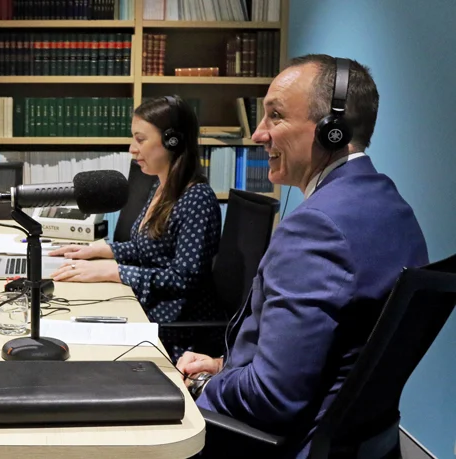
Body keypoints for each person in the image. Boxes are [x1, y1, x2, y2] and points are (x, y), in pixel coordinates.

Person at [176, 55, 429, 458]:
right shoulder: (393, 207)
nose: (259, 135)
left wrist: (201, 387)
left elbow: (272, 398)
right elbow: (326, 358)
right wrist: (226, 366)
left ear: (332, 131)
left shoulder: (317, 228)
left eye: (275, 117)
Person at [49, 96, 223, 359]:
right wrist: (103, 250)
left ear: (171, 141)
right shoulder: (161, 186)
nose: (132, 148)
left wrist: (115, 271)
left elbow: (183, 279)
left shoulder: (197, 199)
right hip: (146, 308)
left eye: (141, 139)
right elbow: (149, 249)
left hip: (173, 330)